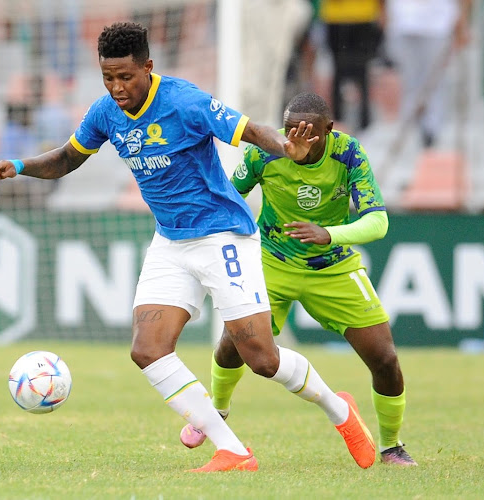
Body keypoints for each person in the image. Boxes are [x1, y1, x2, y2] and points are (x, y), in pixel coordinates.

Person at [0, 22, 376, 472]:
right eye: (108, 78)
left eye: (126, 77)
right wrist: (19, 164)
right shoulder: (105, 113)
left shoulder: (184, 101)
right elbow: (67, 158)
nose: (117, 88)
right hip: (170, 241)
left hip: (222, 235)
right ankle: (232, 450)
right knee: (147, 349)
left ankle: (340, 410)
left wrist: (286, 149)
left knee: (262, 359)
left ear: (148, 67)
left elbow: (251, 131)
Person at [179, 92, 418, 467]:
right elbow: (226, 196)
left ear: (330, 130)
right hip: (271, 263)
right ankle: (219, 412)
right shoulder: (264, 152)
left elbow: (378, 221)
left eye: (309, 132)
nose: (298, 140)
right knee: (231, 345)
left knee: (385, 358)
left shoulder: (349, 153)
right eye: (291, 130)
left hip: (333, 267)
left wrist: (330, 233)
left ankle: (391, 446)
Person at [385, 0, 472, 148]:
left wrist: (462, 21)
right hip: (402, 23)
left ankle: (432, 131)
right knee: (409, 81)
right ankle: (409, 130)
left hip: (438, 25)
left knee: (435, 83)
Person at [320, 0, 385, 131]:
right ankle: (337, 122)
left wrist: (383, 10)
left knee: (362, 71)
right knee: (339, 72)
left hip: (363, 15)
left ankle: (364, 123)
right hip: (336, 16)